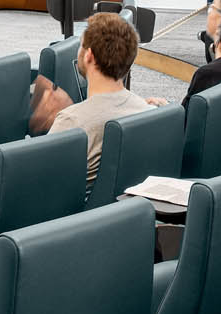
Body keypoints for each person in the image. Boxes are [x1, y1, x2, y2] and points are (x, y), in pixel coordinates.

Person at [30, 12, 153, 187]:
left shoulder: (71, 121)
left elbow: (35, 179)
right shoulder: (146, 110)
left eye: (80, 46)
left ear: (89, 55)